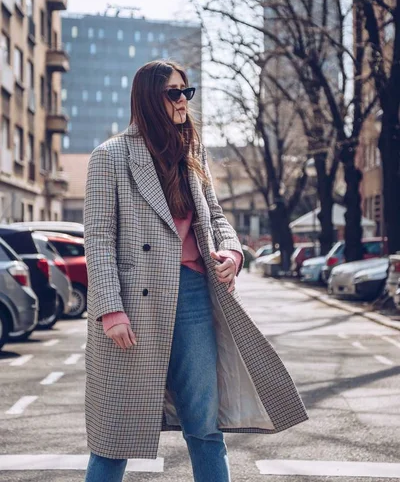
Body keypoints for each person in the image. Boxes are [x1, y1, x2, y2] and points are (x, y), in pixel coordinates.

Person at [83, 60, 308, 482]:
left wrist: (232, 251)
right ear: (150, 98)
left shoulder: (192, 151)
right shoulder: (110, 157)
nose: (183, 100)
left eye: (187, 91)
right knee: (116, 434)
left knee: (205, 426)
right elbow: (97, 240)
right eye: (173, 92)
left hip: (193, 294)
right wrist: (110, 310)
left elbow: (217, 216)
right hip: (135, 302)